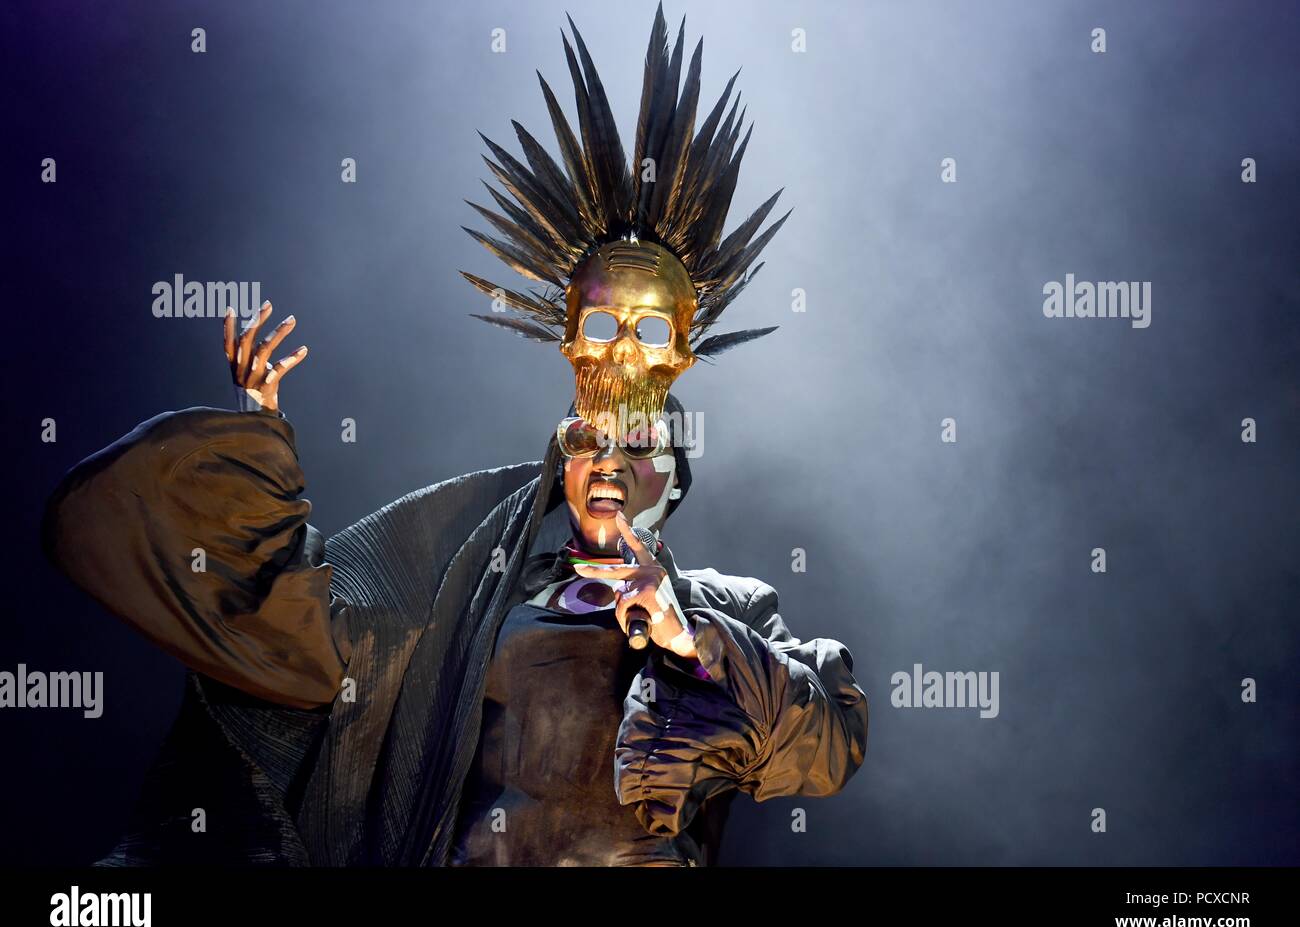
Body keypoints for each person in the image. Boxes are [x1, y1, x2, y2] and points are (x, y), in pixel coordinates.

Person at [42, 5, 868, 867]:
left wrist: (683, 632)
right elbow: (296, 624)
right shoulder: (468, 592)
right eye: (587, 447)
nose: (607, 468)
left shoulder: (729, 609)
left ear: (671, 474)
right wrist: (256, 447)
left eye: (632, 452)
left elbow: (827, 741)